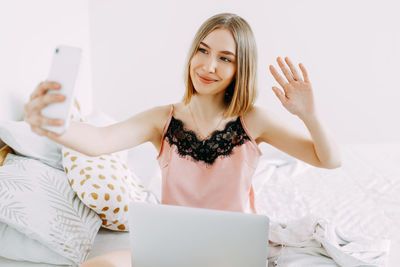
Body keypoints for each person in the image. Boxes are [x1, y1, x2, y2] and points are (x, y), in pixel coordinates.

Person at [24, 12, 341, 267]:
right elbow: (99, 140)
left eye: (225, 58)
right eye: (203, 51)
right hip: (171, 251)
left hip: (232, 255)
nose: (208, 66)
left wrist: (309, 115)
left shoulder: (254, 120)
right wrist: (52, 125)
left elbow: (329, 160)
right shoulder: (161, 119)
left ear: (240, 68)